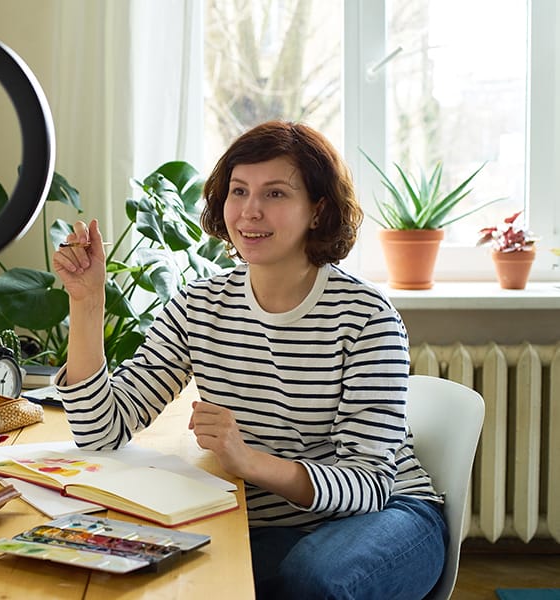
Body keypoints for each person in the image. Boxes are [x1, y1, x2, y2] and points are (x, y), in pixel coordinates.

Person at [51, 120, 447, 599]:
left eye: (275, 194)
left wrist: (249, 462)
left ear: (317, 210)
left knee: (314, 578)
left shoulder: (366, 316)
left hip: (387, 515)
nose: (250, 212)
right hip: (268, 524)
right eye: (239, 191)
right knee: (163, 579)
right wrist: (88, 302)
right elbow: (101, 431)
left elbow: (368, 485)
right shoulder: (198, 305)